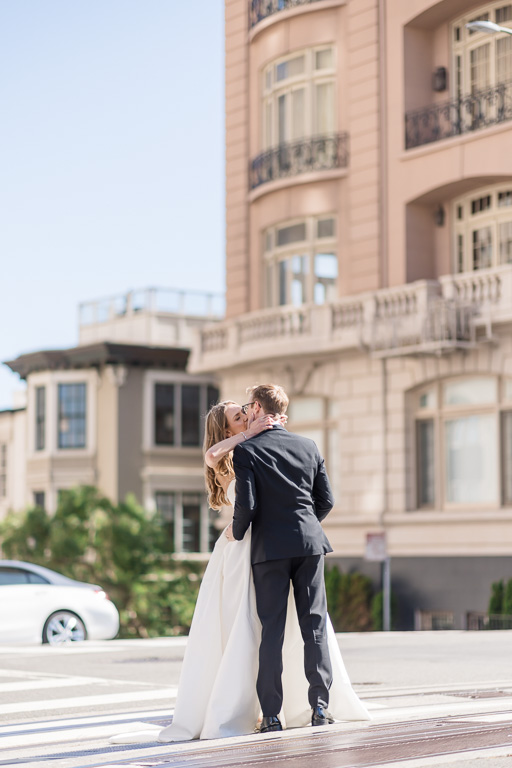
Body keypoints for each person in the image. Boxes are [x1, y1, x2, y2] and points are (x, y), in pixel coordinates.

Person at [110, 396, 370, 745]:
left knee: (274, 630)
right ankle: (304, 708)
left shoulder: (257, 450)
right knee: (282, 628)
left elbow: (258, 502)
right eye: (239, 415)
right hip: (270, 546)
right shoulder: (242, 451)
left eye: (247, 409)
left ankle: (277, 713)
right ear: (227, 428)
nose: (248, 415)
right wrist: (248, 438)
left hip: (265, 547)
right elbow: (319, 500)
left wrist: (248, 525)